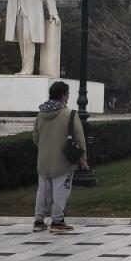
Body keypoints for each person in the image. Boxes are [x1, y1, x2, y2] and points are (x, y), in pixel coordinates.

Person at [33, 80, 86, 234]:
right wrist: (83, 158)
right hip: (63, 161)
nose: (68, 97)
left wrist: (44, 148)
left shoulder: (41, 114)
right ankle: (57, 221)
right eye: (68, 94)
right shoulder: (69, 114)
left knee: (43, 190)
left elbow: (35, 137)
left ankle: (39, 220)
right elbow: (79, 138)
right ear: (63, 96)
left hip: (43, 160)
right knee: (61, 190)